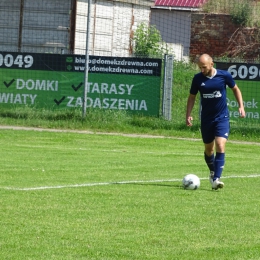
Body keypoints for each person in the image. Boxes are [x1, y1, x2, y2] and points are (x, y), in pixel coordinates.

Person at [186, 54, 245, 190]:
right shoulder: (197, 79)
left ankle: (216, 179)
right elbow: (192, 97)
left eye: (204, 67)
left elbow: (235, 89)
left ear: (212, 64)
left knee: (220, 144)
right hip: (206, 119)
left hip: (222, 118)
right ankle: (212, 171)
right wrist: (188, 114)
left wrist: (241, 106)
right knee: (208, 150)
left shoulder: (224, 76)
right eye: (200, 67)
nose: (202, 70)